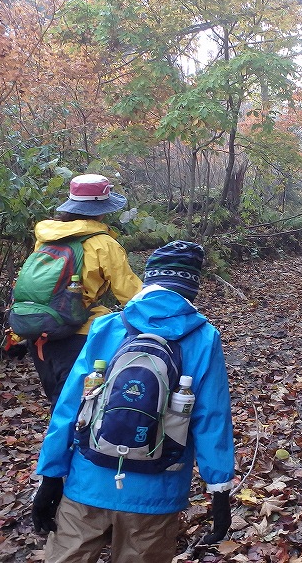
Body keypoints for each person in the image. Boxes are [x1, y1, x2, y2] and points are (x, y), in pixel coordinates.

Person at [32, 240, 235, 562]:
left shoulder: (106, 327)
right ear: (192, 289)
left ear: (148, 281)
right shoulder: (203, 337)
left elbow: (69, 407)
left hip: (88, 479)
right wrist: (219, 487)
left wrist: (51, 475)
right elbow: (211, 417)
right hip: (158, 490)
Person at [28, 174, 142, 405]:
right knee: (76, 404)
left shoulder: (47, 237)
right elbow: (132, 296)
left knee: (58, 402)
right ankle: (69, 441)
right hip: (77, 331)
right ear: (101, 209)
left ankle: (60, 440)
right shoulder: (105, 244)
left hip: (37, 329)